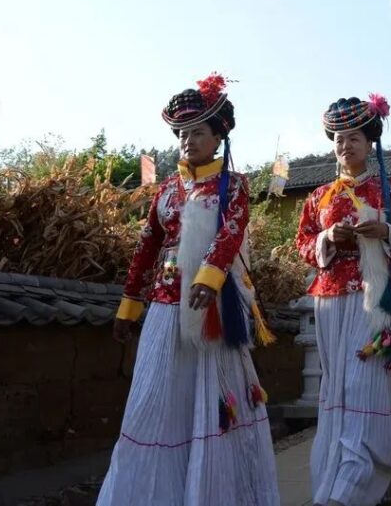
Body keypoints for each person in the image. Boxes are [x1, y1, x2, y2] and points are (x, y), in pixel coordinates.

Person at [98, 74, 280, 506]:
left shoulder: (234, 186)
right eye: (181, 133)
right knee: (154, 402)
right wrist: (128, 307)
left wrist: (209, 278)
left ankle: (213, 491)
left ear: (218, 136)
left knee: (212, 405)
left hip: (211, 309)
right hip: (164, 306)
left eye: (197, 131)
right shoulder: (165, 190)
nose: (187, 140)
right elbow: (146, 248)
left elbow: (230, 233)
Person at [295, 95, 391, 506]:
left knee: (365, 383)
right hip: (330, 302)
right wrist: (327, 237)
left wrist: (385, 232)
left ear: (369, 142)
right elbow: (303, 244)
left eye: (354, 138)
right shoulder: (318, 198)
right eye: (339, 139)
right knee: (339, 386)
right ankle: (349, 469)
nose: (346, 146)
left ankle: (353, 484)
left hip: (375, 299)